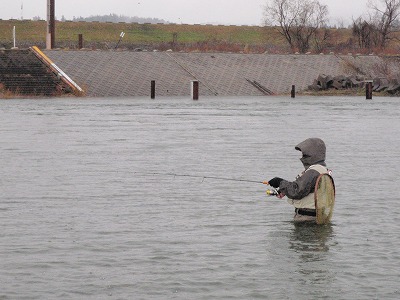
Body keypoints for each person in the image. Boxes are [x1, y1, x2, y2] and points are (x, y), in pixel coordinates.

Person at [268, 138, 331, 222]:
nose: (302, 157)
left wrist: (279, 181)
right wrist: (284, 190)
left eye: (305, 154)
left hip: (307, 220)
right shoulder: (323, 169)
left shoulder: (313, 171)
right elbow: (307, 189)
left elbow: (296, 191)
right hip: (317, 217)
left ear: (312, 154)